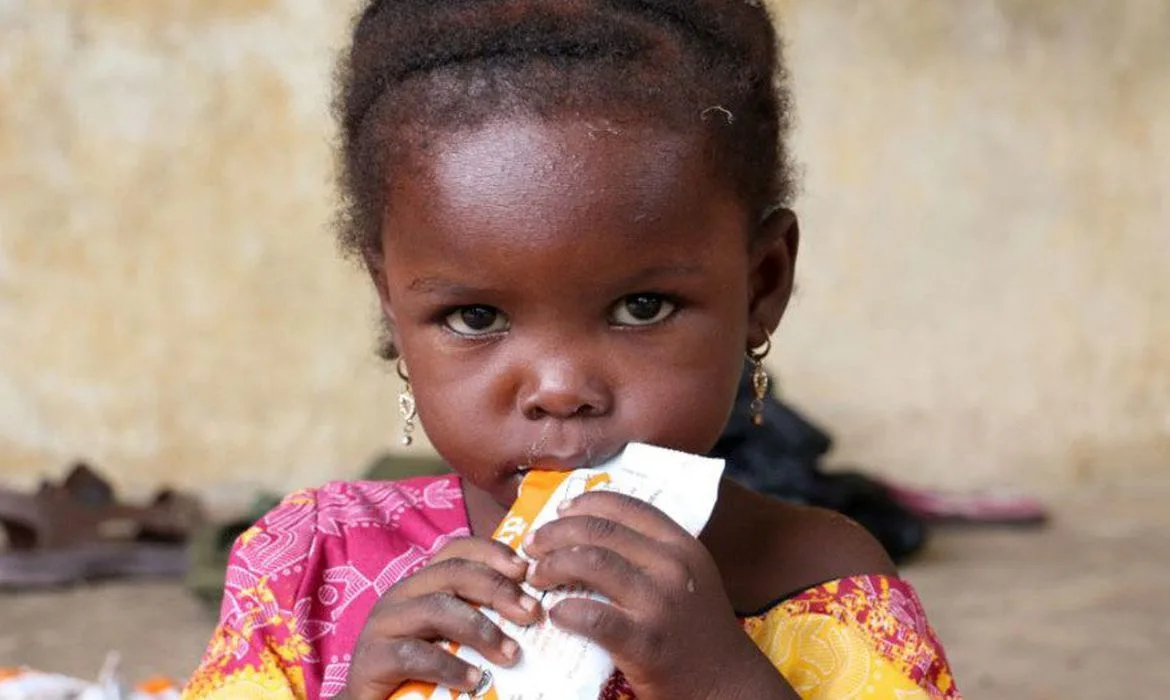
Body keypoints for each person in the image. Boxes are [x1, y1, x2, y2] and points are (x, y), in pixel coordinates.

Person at [183, 1, 960, 698]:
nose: (559, 389)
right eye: (476, 316)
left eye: (641, 306)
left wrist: (718, 678)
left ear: (762, 285)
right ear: (392, 306)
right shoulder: (310, 568)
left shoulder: (815, 581)